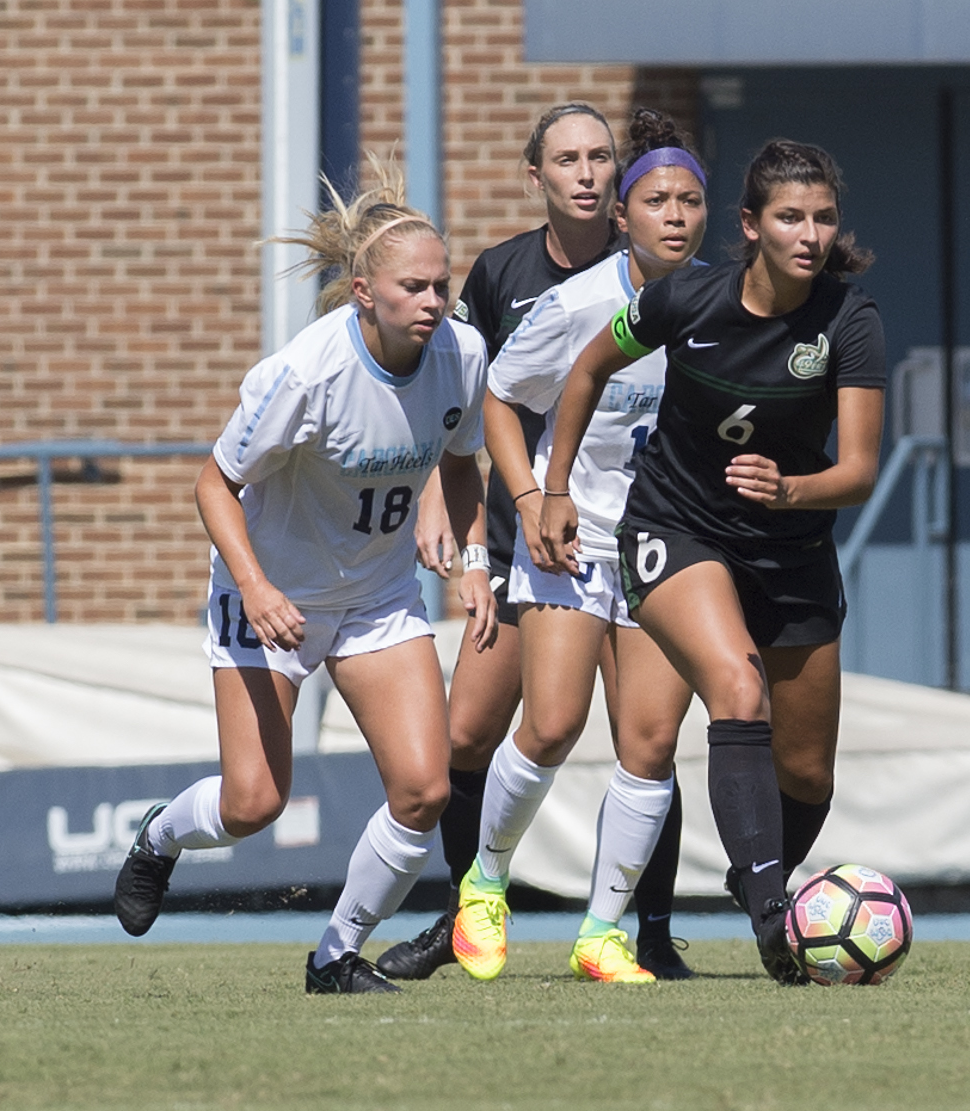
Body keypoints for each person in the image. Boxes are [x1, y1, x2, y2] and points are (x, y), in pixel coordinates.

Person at [111, 154, 497, 994]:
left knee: (424, 789)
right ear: (365, 292)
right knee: (254, 803)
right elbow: (214, 484)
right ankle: (158, 839)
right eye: (416, 289)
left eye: (443, 285)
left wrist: (474, 563)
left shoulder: (462, 352)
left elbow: (464, 462)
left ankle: (336, 955)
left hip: (376, 595)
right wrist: (255, 587)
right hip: (271, 590)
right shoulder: (304, 374)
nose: (436, 302)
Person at [540, 139, 886, 982]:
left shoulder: (850, 320)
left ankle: (756, 876)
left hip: (792, 548)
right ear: (751, 225)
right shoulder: (683, 299)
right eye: (789, 217)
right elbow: (586, 373)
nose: (809, 233)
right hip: (677, 527)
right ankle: (774, 918)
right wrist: (551, 491)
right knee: (736, 687)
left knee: (807, 774)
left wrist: (790, 490)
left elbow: (861, 470)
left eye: (823, 216)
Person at [374, 102, 691, 982]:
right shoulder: (508, 278)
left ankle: (642, 930)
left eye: (601, 159)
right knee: (478, 731)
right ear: (538, 177)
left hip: (648, 541)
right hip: (532, 535)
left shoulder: (678, 278)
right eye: (568, 160)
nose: (587, 174)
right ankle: (466, 909)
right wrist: (469, 529)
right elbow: (471, 403)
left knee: (649, 734)